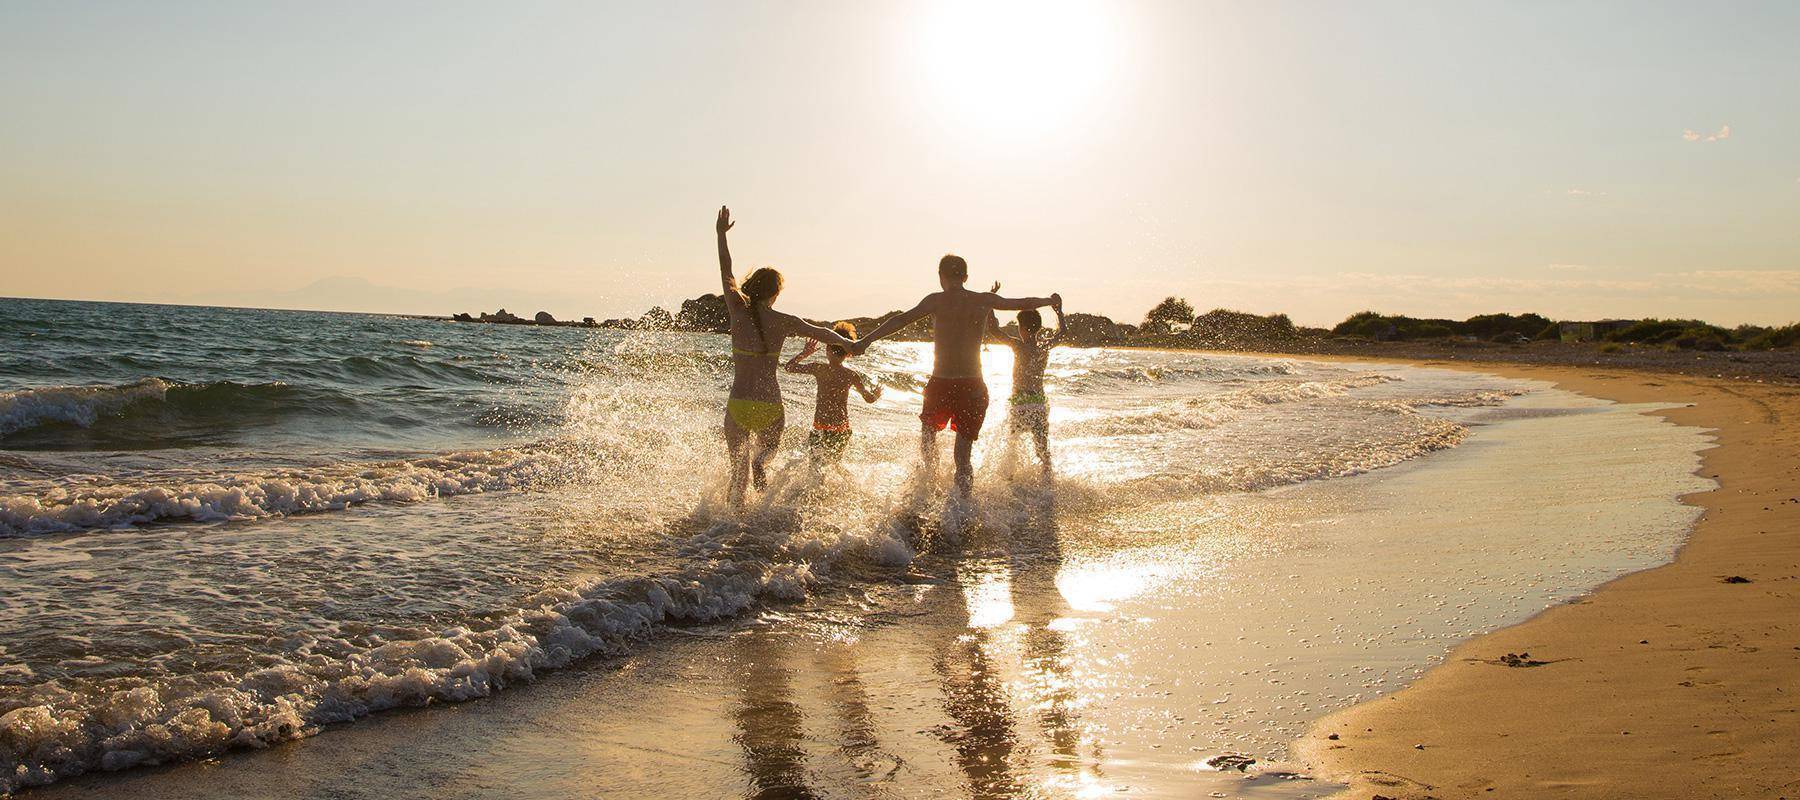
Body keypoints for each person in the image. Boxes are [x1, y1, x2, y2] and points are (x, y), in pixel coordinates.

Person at [852, 254, 1058, 496]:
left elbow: (901, 320)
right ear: (965, 277)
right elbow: (1020, 302)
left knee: (928, 437)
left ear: (941, 277)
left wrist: (865, 341)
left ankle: (927, 491)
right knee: (963, 456)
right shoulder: (982, 300)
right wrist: (1048, 300)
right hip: (972, 385)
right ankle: (962, 509)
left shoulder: (935, 301)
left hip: (941, 382)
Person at [714, 206, 859, 509]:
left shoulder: (737, 309)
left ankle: (728, 532)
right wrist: (854, 345)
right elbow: (823, 333)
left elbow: (726, 270)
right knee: (762, 462)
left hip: (739, 402)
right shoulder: (784, 320)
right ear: (775, 293)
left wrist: (720, 235)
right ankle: (763, 520)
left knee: (737, 476)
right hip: (770, 404)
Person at [784, 322, 882, 464]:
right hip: (841, 429)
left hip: (819, 427)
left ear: (827, 348)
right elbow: (869, 399)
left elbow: (789, 367)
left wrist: (805, 353)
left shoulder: (819, 368)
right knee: (832, 465)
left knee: (815, 466)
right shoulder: (851, 375)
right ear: (848, 353)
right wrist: (876, 394)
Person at [992, 296, 1065, 476]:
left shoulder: (1018, 346)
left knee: (1013, 445)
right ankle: (1048, 483)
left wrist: (990, 304)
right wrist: (1059, 312)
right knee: (1042, 449)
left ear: (1022, 328)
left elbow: (993, 329)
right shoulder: (1044, 347)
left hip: (1020, 403)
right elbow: (1063, 333)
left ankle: (1010, 480)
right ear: (1038, 327)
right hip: (1038, 404)